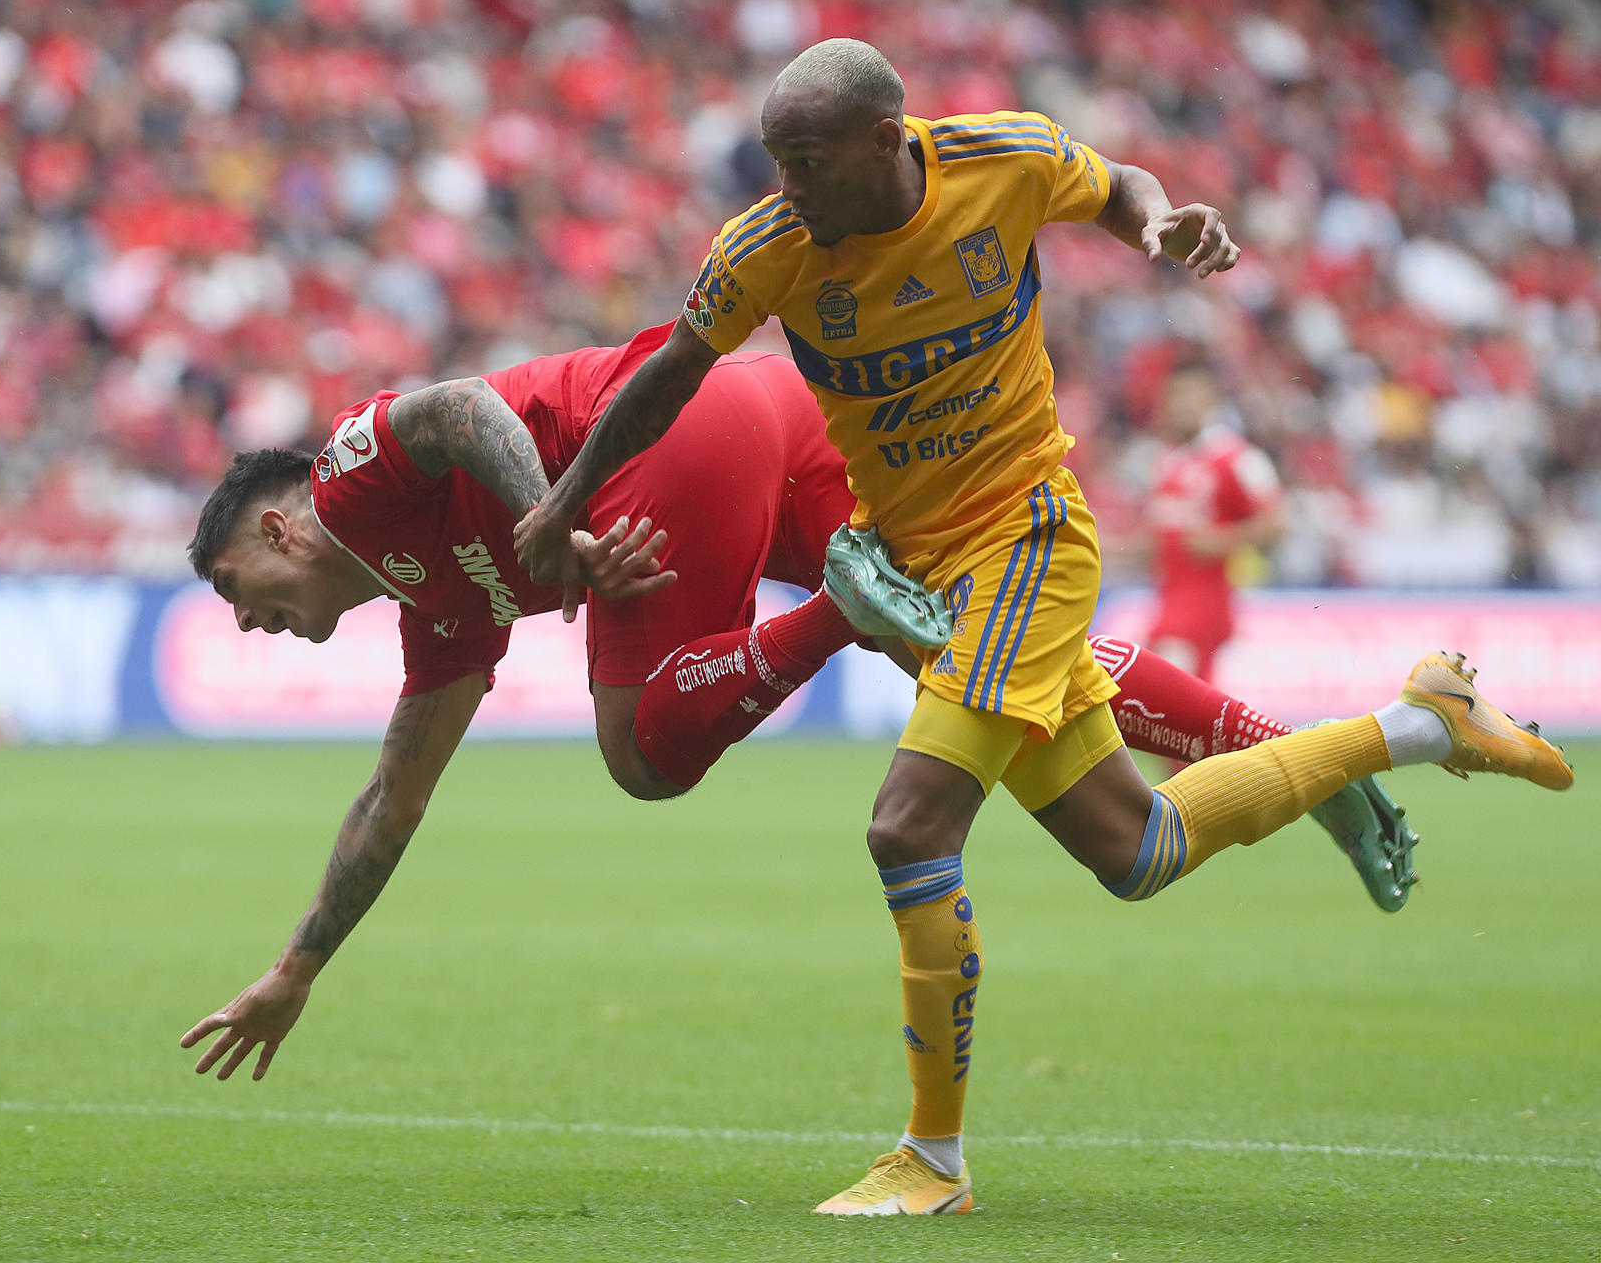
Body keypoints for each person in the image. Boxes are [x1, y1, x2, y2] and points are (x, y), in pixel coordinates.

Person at [512, 38, 1572, 1216]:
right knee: (1139, 849)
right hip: (926, 567)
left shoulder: (1000, 159)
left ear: (884, 143)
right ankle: (1415, 721)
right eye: (775, 162)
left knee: (907, 823)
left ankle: (934, 1157)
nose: (787, 186)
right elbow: (667, 375)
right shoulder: (764, 247)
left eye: (806, 162)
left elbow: (1119, 187)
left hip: (1024, 538)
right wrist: (560, 505)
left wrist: (1161, 224)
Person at [174, 326, 1416, 1093]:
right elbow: (396, 793)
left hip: (667, 428)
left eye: (238, 588)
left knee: (641, 753)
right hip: (766, 407)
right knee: (1009, 655)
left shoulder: (344, 478)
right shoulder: (434, 610)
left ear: (279, 526)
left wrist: (557, 511)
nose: (246, 620)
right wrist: (297, 968)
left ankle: (838, 608)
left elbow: (453, 406)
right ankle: (1303, 755)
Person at [1145, 359, 1285, 683]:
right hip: (1168, 600)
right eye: (1173, 395)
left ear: (1211, 400)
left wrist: (1221, 541)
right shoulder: (1169, 460)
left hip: (1203, 608)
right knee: (1187, 718)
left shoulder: (1236, 456)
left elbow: (1276, 522)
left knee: (1163, 699)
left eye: (1188, 394)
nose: (1179, 404)